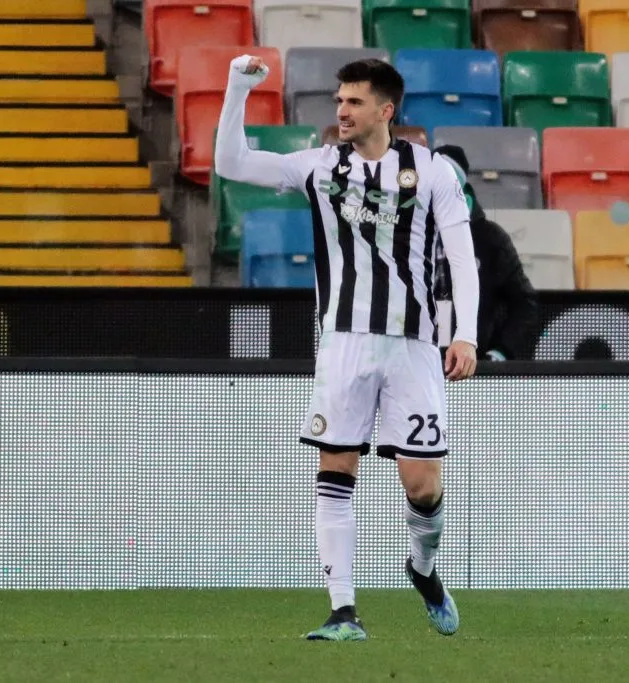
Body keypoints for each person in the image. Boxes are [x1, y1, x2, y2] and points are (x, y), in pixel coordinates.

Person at [214, 55, 480, 642]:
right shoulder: (319, 166)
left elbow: (462, 258)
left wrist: (465, 333)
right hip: (342, 342)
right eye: (339, 100)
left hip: (413, 345)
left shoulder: (432, 171)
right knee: (335, 469)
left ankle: (423, 568)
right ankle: (343, 611)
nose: (342, 110)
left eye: (354, 101)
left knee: (422, 486)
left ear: (386, 110)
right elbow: (230, 162)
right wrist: (238, 87)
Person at [431, 144, 540, 361]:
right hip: (421, 364)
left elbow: (525, 305)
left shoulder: (491, 239)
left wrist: (501, 352)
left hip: (476, 367)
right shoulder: (412, 233)